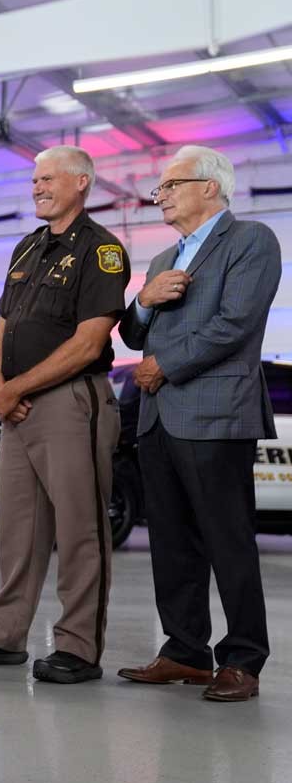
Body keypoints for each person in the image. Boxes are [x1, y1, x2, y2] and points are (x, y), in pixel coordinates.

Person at [0, 146, 128, 684]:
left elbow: (90, 340)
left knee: (80, 528)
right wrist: (1, 389)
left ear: (82, 182)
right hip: (18, 408)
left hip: (72, 402)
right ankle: (4, 635)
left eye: (48, 178)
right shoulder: (27, 248)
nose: (37, 187)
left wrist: (16, 387)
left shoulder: (102, 250)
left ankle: (78, 647)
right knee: (16, 527)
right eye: (34, 179)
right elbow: (4, 326)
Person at [117, 145, 280, 703]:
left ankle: (243, 659)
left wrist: (166, 364)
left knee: (226, 537)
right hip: (159, 417)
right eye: (160, 188)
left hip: (214, 412)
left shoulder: (251, 241)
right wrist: (142, 301)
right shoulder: (164, 261)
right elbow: (133, 335)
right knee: (169, 541)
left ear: (209, 187)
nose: (159, 196)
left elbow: (236, 324)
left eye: (170, 185)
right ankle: (185, 652)